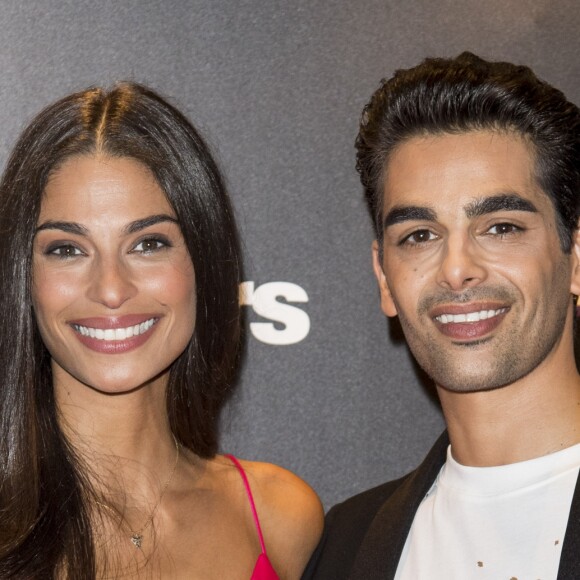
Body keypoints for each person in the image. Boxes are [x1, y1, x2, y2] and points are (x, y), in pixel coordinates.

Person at [0, 82, 323, 578]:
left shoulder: (279, 516)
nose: (110, 289)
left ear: (203, 262)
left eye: (148, 244)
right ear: (23, 275)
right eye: (67, 249)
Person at [305, 52, 580, 579]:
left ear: (575, 258)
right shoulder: (344, 544)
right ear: (385, 277)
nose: (456, 270)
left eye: (501, 227)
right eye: (419, 236)